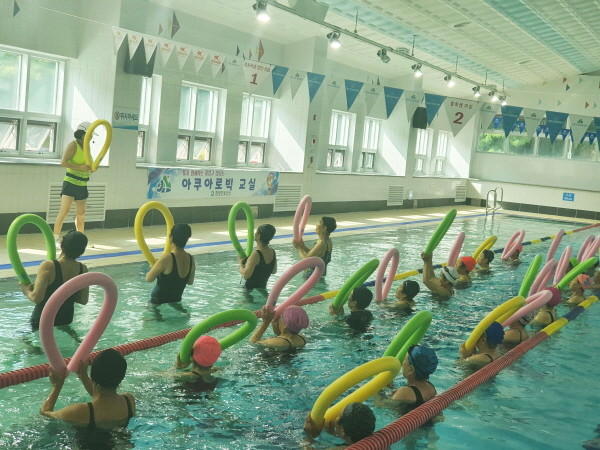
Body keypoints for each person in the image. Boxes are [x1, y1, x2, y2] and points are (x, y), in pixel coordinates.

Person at [41, 349, 136, 428]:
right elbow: (103, 397)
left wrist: (57, 385)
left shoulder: (80, 411)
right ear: (121, 378)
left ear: (92, 377)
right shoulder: (129, 401)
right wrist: (83, 377)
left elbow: (45, 414)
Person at [21, 230, 89, 330]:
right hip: (65, 320)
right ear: (82, 251)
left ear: (62, 244)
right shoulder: (83, 269)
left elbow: (36, 298)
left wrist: (26, 291)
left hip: (42, 321)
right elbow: (83, 300)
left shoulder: (48, 266)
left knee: (23, 337)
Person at [53, 122, 94, 242]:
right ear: (83, 134)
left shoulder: (87, 147)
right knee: (64, 212)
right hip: (71, 183)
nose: (91, 136)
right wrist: (80, 167)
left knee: (81, 214)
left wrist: (90, 169)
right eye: (90, 134)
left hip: (83, 184)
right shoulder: (73, 145)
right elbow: (63, 162)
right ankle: (55, 239)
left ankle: (80, 239)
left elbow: (87, 164)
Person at [146, 223, 195, 309]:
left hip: (157, 302)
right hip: (176, 300)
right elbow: (190, 282)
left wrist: (152, 268)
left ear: (171, 237)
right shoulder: (191, 259)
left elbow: (149, 279)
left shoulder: (167, 258)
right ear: (187, 239)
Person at [304, 402, 375, 446]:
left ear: (342, 430)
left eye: (337, 418)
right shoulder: (372, 444)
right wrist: (333, 433)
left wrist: (310, 437)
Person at [389, 345, 438, 410]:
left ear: (411, 369)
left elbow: (380, 403)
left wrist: (379, 387)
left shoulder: (405, 392)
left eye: (404, 359)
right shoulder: (430, 387)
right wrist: (391, 387)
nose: (402, 363)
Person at [239, 224, 277, 290]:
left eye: (256, 232)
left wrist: (240, 264)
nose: (255, 233)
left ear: (259, 236)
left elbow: (246, 275)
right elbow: (274, 271)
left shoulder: (256, 254)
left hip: (249, 290)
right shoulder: (272, 252)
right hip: (262, 287)